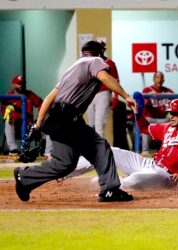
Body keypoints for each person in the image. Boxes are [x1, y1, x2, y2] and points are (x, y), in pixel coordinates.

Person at [13, 40, 137, 202]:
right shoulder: (95, 61)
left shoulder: (71, 69)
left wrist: (38, 124)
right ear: (100, 53)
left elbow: (50, 97)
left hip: (61, 117)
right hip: (65, 118)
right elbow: (104, 76)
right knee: (67, 162)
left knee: (97, 148)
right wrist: (126, 96)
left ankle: (110, 189)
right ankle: (24, 176)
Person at [65, 99, 178, 190]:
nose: (170, 115)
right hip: (149, 164)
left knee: (134, 180)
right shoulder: (167, 128)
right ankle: (65, 171)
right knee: (108, 150)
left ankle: (114, 182)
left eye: (175, 113)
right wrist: (138, 113)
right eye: (170, 112)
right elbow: (144, 127)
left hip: (166, 176)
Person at [1, 75, 43, 155]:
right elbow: (3, 110)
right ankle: (13, 149)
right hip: (15, 125)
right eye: (19, 83)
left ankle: (45, 150)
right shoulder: (8, 95)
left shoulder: (29, 94)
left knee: (45, 125)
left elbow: (41, 103)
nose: (21, 85)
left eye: (22, 83)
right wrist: (9, 117)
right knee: (8, 122)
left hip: (28, 125)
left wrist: (39, 118)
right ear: (13, 85)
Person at [86, 41, 119, 138]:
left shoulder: (110, 63)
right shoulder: (89, 62)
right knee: (90, 124)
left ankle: (99, 150)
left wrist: (115, 98)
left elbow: (116, 81)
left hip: (103, 93)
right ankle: (90, 148)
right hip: (90, 94)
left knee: (99, 125)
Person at [141, 71, 174, 155]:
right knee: (145, 124)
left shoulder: (168, 91)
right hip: (151, 118)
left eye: (161, 78)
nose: (159, 80)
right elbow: (142, 104)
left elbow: (176, 103)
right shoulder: (147, 90)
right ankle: (145, 151)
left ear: (164, 80)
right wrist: (148, 96)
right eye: (157, 77)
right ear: (153, 79)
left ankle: (170, 151)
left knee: (174, 123)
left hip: (163, 119)